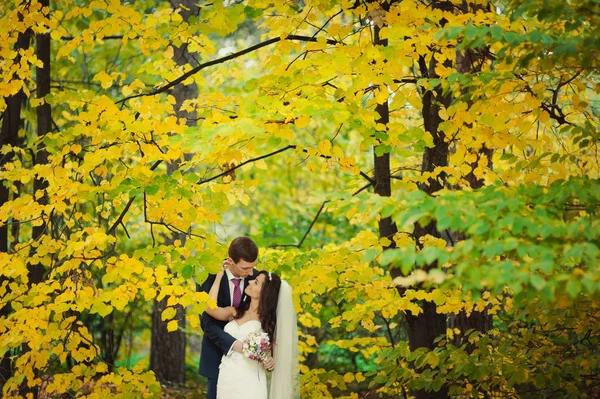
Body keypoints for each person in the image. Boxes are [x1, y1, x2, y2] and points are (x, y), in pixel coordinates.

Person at [206, 267, 300, 399]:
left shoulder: (269, 324)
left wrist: (270, 362)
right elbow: (210, 309)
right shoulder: (235, 312)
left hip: (250, 382)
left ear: (265, 293)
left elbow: (271, 358)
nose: (250, 282)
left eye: (255, 282)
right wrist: (218, 277)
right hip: (227, 377)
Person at [198, 236, 261, 399]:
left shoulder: (256, 280)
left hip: (248, 362)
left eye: (253, 266)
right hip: (216, 354)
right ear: (231, 261)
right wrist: (234, 345)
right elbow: (207, 321)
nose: (251, 272)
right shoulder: (208, 277)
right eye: (245, 268)